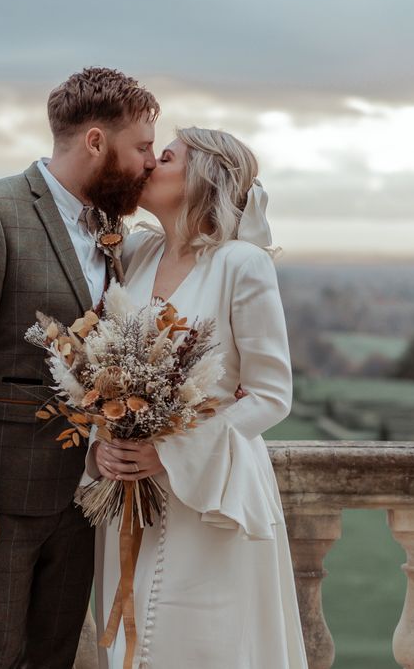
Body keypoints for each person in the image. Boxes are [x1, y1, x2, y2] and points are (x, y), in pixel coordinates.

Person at [0, 67, 159, 668]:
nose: (149, 163)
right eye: (142, 148)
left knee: (53, 659)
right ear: (96, 142)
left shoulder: (109, 229)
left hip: (81, 499)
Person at [84, 127, 309, 668]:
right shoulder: (135, 253)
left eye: (164, 157)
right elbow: (101, 367)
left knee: (203, 643)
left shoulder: (241, 264)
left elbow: (272, 395)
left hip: (209, 494)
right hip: (128, 497)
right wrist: (103, 444)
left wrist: (172, 450)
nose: (147, 167)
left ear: (202, 177)